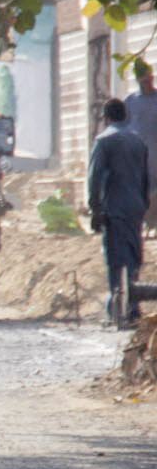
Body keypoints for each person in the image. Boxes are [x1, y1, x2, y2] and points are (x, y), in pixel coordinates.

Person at [87, 98, 152, 324]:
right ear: (125, 116)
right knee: (133, 255)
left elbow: (94, 178)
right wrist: (143, 204)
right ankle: (132, 306)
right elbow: (146, 178)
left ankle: (118, 306)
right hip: (135, 207)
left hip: (113, 207)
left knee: (115, 257)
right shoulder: (138, 141)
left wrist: (94, 209)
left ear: (106, 118)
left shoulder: (103, 141)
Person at [122, 64, 157, 230]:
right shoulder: (130, 101)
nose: (147, 83)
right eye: (143, 81)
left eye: (149, 79)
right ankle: (145, 223)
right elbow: (122, 126)